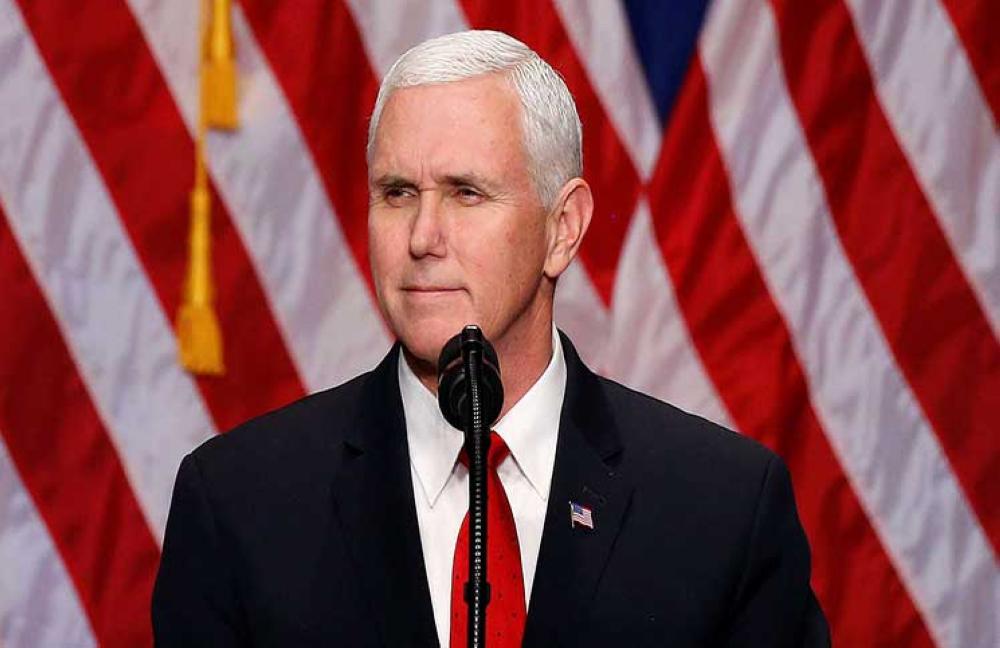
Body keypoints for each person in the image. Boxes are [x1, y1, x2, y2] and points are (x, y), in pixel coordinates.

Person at [152, 30, 830, 647]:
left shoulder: (722, 508)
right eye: (397, 193)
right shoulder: (238, 503)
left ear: (563, 228)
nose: (422, 238)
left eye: (466, 193)